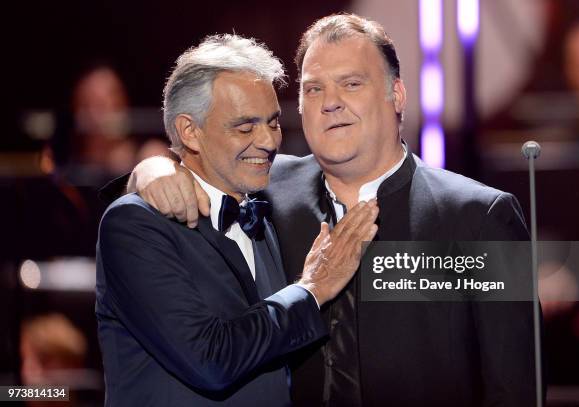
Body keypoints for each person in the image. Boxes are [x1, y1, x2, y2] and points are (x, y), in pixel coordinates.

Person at [115, 14, 538, 406]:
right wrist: (152, 170)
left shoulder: (480, 216)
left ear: (397, 93)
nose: (330, 102)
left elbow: (515, 386)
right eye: (313, 88)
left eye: (351, 83)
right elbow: (196, 166)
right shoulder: (262, 188)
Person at [96, 34, 379, 406]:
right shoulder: (137, 224)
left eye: (273, 123)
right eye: (245, 127)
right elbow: (210, 360)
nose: (267, 141)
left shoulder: (265, 207)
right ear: (189, 131)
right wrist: (311, 288)